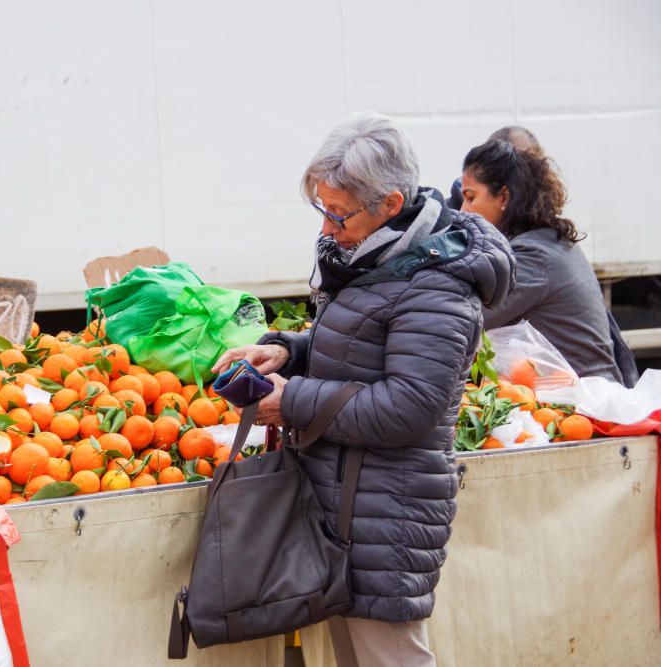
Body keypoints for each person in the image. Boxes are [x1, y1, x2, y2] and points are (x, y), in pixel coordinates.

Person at [213, 113, 514, 667]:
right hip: (347, 506)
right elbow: (362, 350)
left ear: (390, 205)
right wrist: (289, 351)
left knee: (391, 658)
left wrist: (292, 400)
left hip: (387, 511)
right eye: (322, 209)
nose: (327, 226)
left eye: (338, 212)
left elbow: (410, 406)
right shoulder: (379, 259)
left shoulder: (436, 287)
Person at [460, 138, 627, 383]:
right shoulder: (547, 242)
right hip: (569, 395)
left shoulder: (534, 256)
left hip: (583, 404)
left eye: (470, 197)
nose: (464, 210)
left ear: (504, 197)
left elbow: (467, 319)